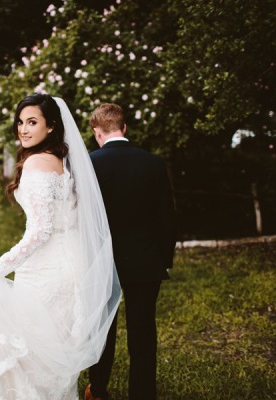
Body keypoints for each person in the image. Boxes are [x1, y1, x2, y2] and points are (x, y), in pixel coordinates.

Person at [0, 94, 121, 399]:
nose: (23, 129)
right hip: (69, 266)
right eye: (21, 122)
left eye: (32, 122)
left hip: (44, 272)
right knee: (52, 350)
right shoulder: (62, 160)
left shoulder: (36, 163)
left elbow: (40, 232)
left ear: (51, 127)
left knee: (34, 352)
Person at [85, 103, 176, 400]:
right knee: (143, 333)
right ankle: (143, 394)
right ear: (124, 129)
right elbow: (167, 217)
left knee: (102, 332)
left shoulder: (89, 164)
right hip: (145, 260)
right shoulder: (153, 162)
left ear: (97, 133)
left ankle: (97, 390)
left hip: (102, 262)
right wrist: (163, 259)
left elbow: (83, 219)